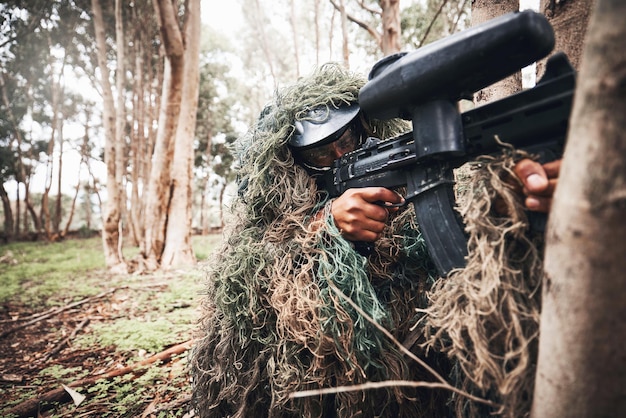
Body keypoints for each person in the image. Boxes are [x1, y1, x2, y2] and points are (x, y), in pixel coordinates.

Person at [190, 63, 559, 418]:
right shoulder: (268, 216)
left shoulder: (403, 175)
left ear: (365, 129)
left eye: (347, 138)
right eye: (320, 152)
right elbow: (249, 287)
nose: (340, 156)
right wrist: (324, 226)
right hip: (338, 388)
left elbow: (463, 239)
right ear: (294, 163)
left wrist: (508, 199)